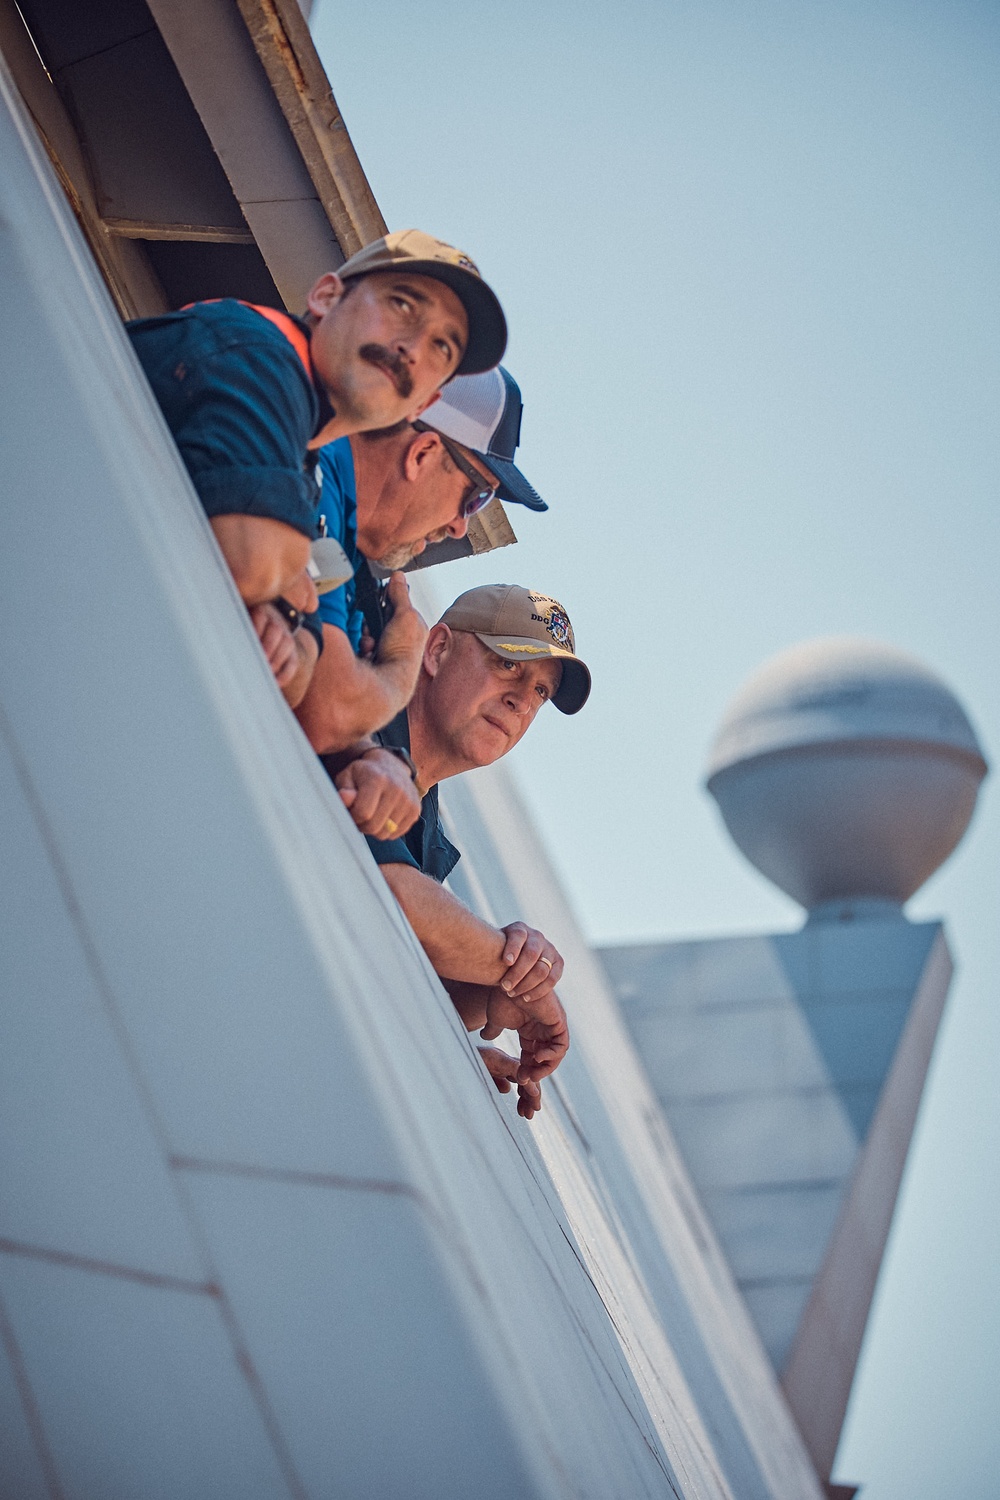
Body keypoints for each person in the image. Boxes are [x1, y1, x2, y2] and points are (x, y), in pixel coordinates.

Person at [126, 230, 507, 705]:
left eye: (442, 348)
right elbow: (250, 563)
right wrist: (290, 587)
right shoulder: (258, 352)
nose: (412, 346)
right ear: (326, 296)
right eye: (404, 305)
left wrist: (286, 604)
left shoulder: (302, 466)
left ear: (423, 403)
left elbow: (298, 675)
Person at [295, 366, 549, 840]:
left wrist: (370, 750)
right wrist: (398, 665)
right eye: (475, 499)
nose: (459, 528)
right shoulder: (315, 476)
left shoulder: (346, 555)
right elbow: (330, 710)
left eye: (542, 692)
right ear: (424, 452)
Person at [367, 584, 591, 1119]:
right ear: (438, 649)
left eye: (539, 691)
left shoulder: (427, 828)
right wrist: (512, 966)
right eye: (507, 664)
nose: (520, 700)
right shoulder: (369, 726)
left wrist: (488, 1002)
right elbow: (388, 892)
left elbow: (392, 959)